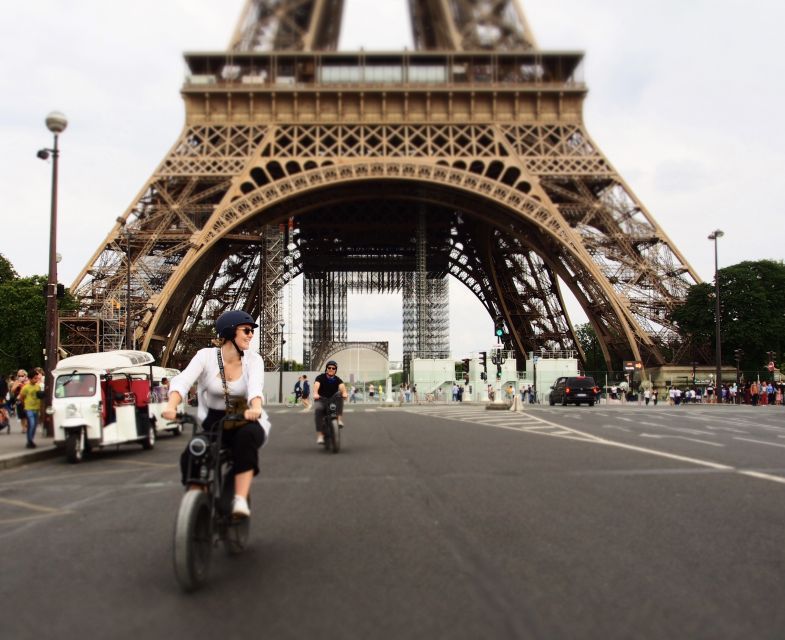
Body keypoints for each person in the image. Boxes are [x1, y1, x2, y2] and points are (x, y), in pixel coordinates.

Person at [162, 310, 269, 519]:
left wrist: (256, 408)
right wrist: (172, 406)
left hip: (244, 419)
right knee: (192, 453)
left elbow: (256, 389)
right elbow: (183, 381)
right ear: (230, 333)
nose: (250, 335)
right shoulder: (206, 356)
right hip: (214, 420)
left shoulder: (254, 360)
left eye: (251, 332)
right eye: (246, 330)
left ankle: (239, 498)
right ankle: (196, 502)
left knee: (245, 444)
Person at [313, 360, 348, 445]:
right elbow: (316, 385)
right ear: (326, 368)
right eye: (329, 367)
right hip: (321, 399)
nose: (331, 369)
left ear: (335, 370)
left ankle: (339, 420)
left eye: (333, 368)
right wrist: (315, 393)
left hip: (332, 400)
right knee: (318, 412)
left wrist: (344, 393)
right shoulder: (320, 377)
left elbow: (342, 387)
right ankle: (320, 435)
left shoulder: (337, 379)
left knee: (340, 395)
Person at [18, 368, 44, 448]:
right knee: (32, 424)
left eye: (37, 378)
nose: (36, 380)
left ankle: (30, 440)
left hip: (36, 408)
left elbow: (40, 398)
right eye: (34, 378)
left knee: (34, 425)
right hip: (29, 409)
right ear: (30, 378)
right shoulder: (26, 387)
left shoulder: (38, 387)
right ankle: (30, 441)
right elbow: (21, 397)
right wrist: (25, 404)